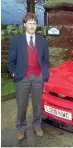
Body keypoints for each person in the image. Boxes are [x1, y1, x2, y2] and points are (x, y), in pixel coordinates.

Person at [7, 13, 50, 141]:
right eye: (30, 23)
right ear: (25, 24)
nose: (32, 26)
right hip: (22, 78)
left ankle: (37, 125)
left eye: (34, 23)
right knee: (21, 105)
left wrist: (44, 73)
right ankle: (21, 128)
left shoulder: (42, 41)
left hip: (38, 77)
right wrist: (14, 73)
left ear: (37, 25)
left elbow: (46, 60)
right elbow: (10, 61)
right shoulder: (16, 41)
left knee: (37, 105)